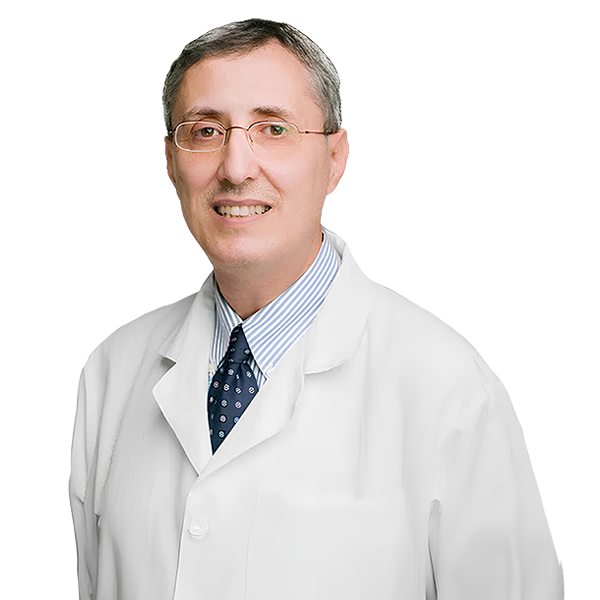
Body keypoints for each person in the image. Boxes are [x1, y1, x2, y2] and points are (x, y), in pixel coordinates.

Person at [70, 19, 563, 600]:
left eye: (273, 128)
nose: (235, 168)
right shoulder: (116, 370)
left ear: (334, 158)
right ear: (172, 161)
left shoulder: (449, 387)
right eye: (205, 131)